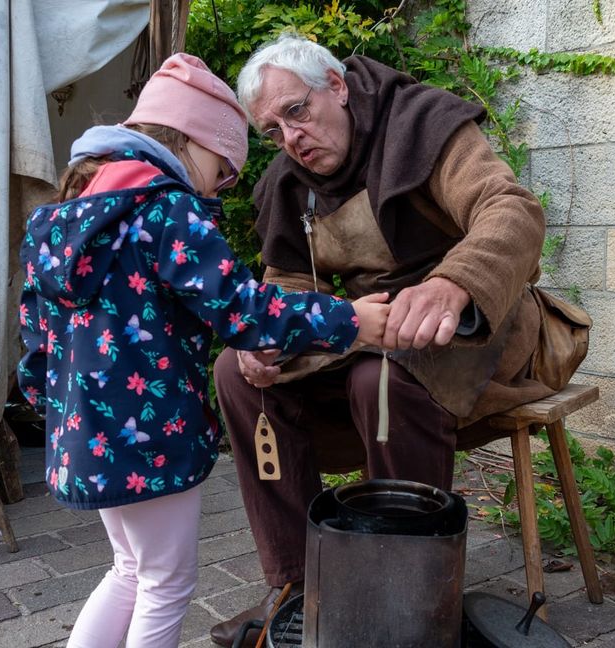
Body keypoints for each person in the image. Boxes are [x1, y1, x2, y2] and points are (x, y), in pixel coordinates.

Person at [210, 34, 589, 646]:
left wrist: (452, 283)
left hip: (478, 321)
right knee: (236, 371)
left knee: (380, 377)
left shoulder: (420, 122)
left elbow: (510, 208)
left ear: (337, 86)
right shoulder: (289, 182)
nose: (291, 138)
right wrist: (267, 334)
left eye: (297, 111)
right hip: (374, 328)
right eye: (273, 131)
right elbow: (288, 284)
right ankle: (301, 587)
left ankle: (404, 597)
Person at [16, 53, 391, 648]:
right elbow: (245, 310)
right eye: (223, 167)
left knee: (130, 570)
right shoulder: (166, 209)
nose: (222, 185)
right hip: (151, 435)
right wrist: (352, 320)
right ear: (192, 140)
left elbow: (35, 340)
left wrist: (54, 408)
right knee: (165, 583)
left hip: (84, 433)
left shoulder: (67, 216)